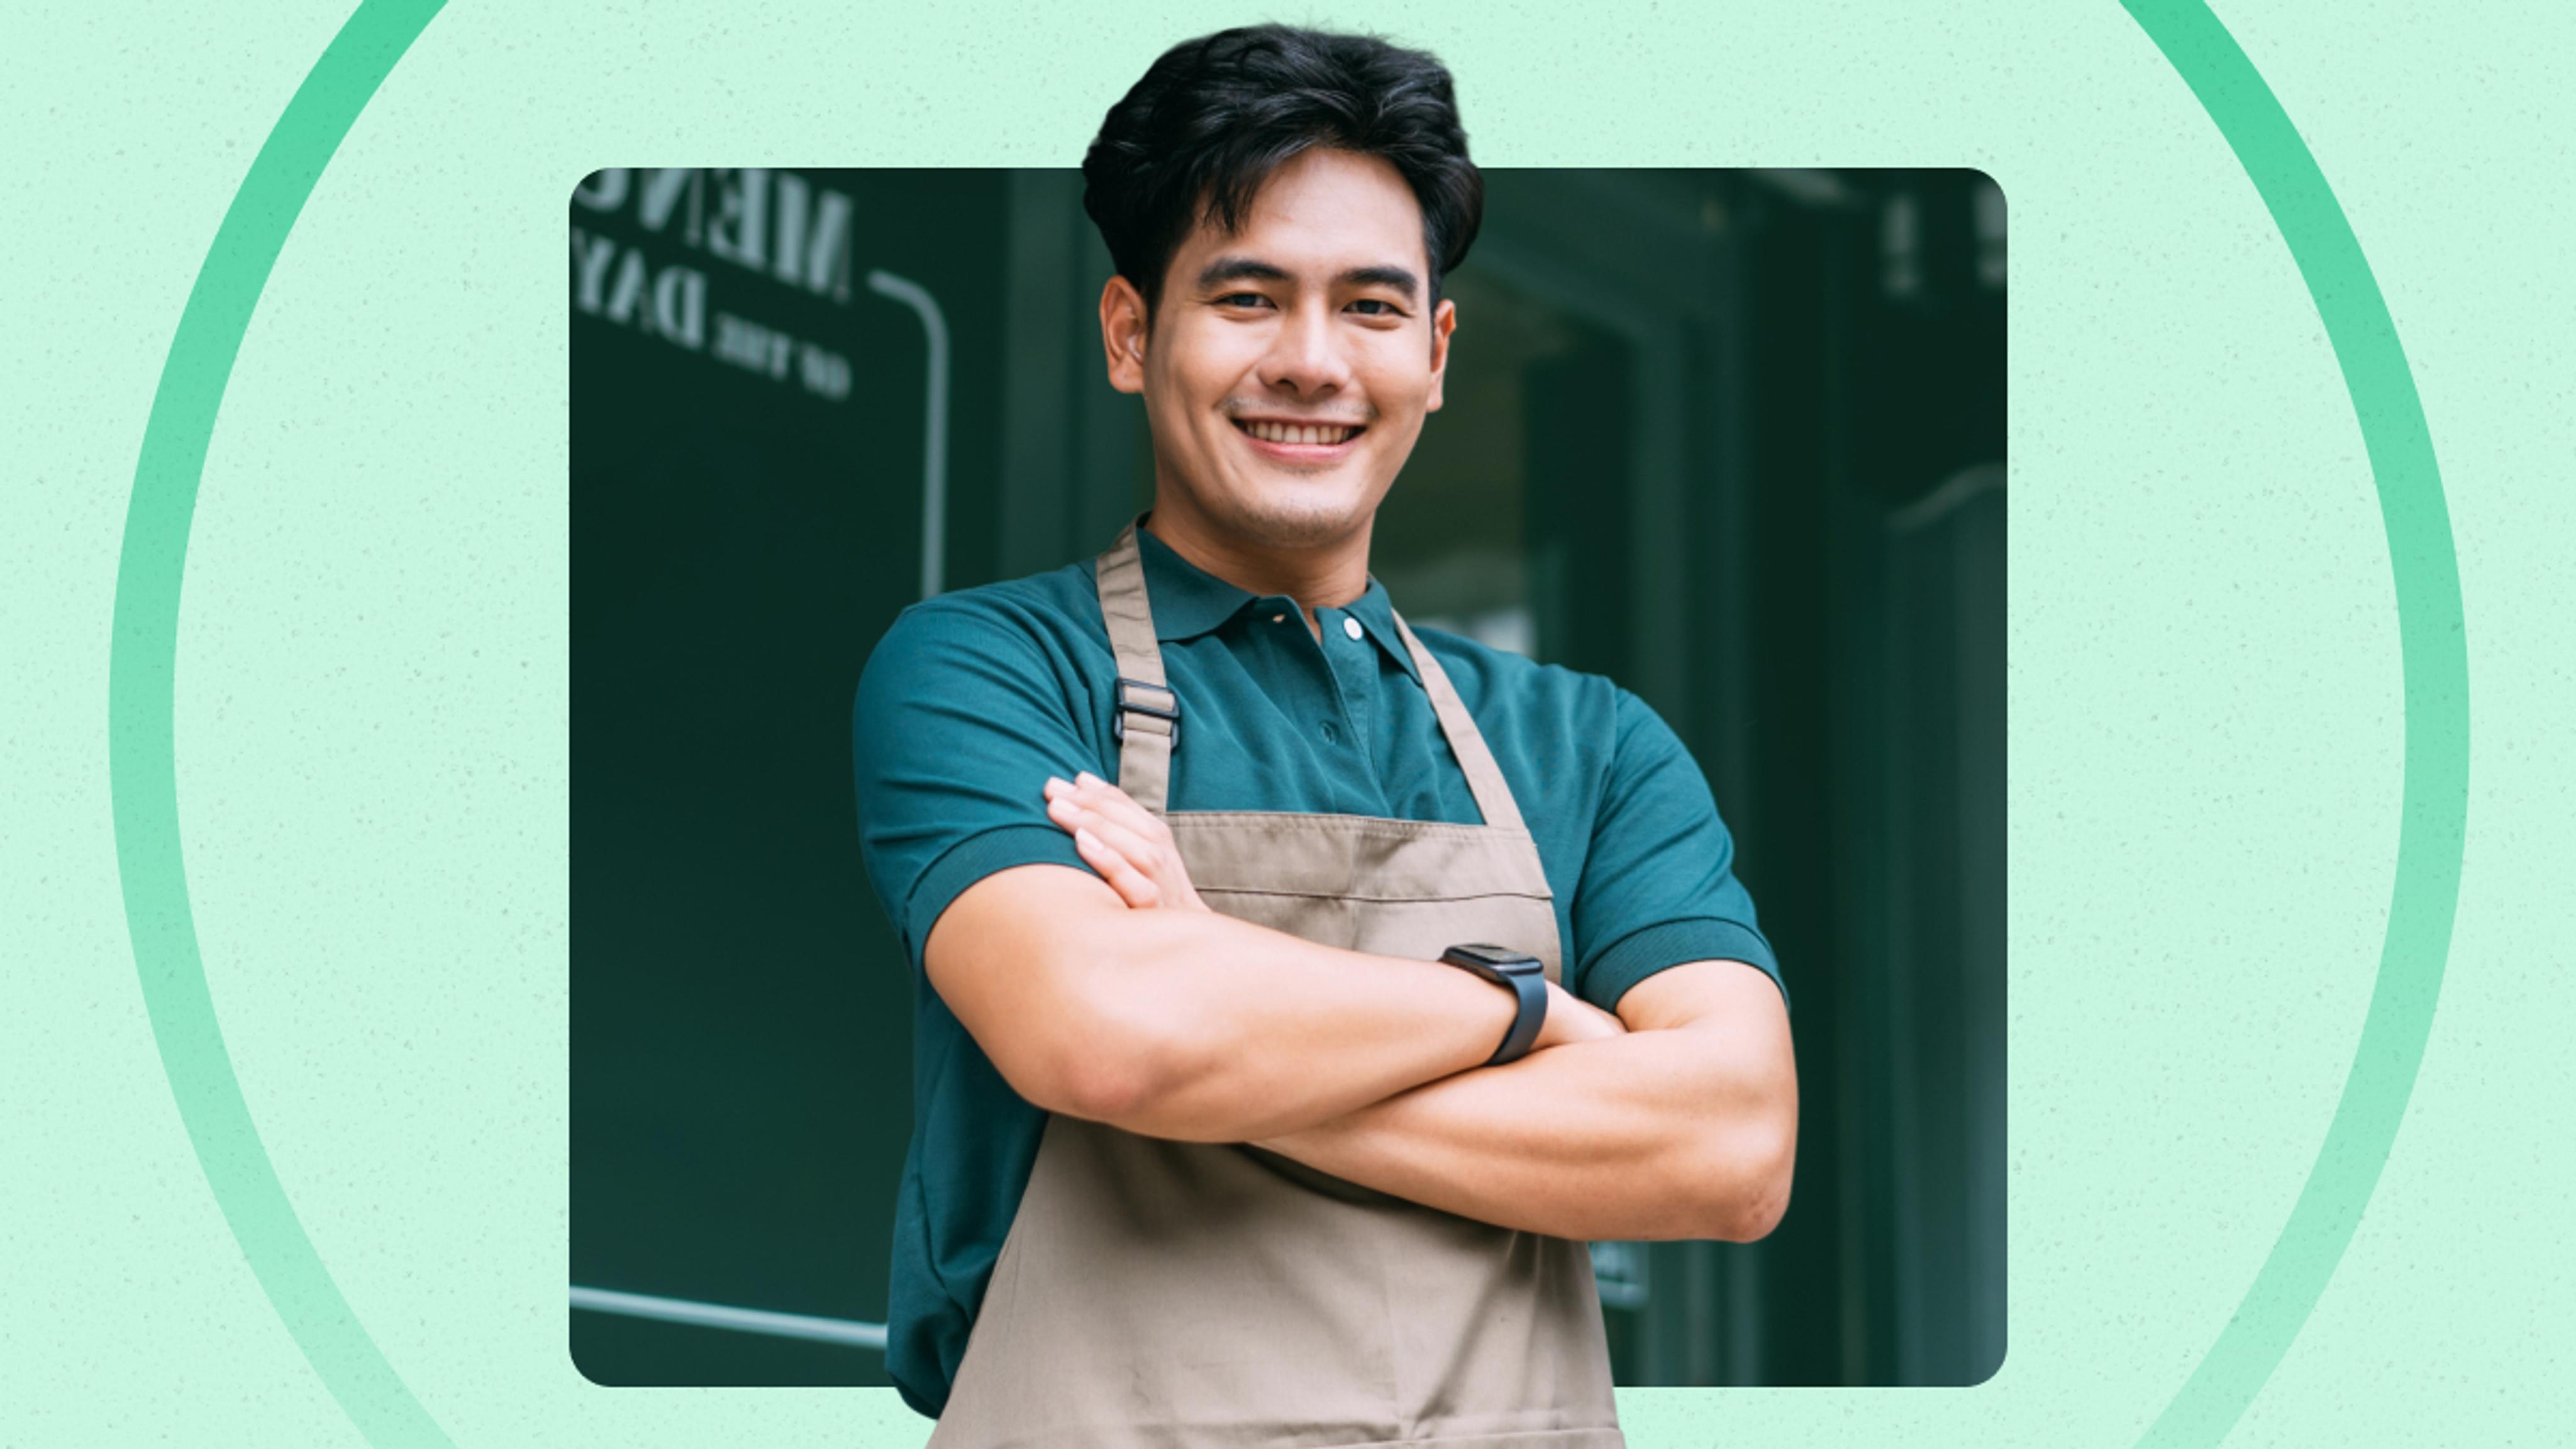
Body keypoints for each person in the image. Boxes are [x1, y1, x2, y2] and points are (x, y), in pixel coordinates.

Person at [852, 23, 1796, 1445]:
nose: (1309, 362)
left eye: (1367, 306)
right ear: (1129, 333)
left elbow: (1730, 1152)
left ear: (1433, 350)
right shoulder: (994, 670)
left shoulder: (1590, 747)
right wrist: (1522, 1015)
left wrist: (1210, 995)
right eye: (1245, 297)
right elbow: (1109, 1042)